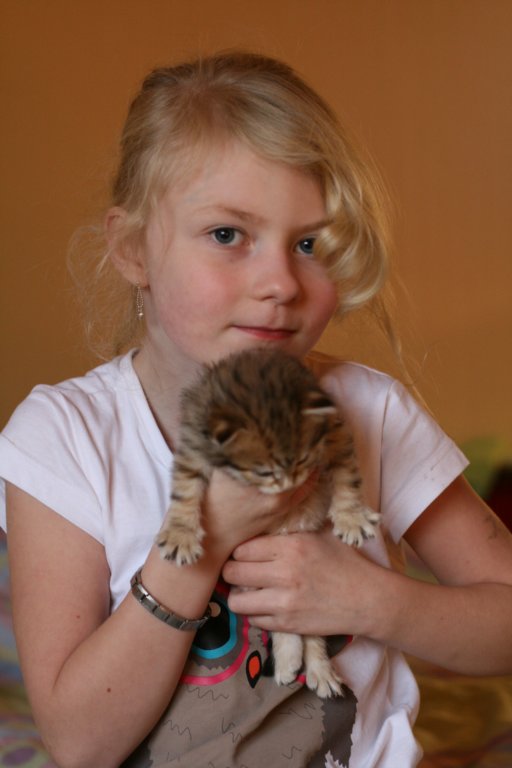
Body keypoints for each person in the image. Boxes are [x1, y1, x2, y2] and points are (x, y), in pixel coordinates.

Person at [1, 51, 511, 768]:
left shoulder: (372, 411)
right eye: (227, 235)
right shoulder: (62, 438)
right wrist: (204, 536)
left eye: (309, 243)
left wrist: (375, 601)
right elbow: (80, 744)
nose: (281, 282)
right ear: (132, 249)